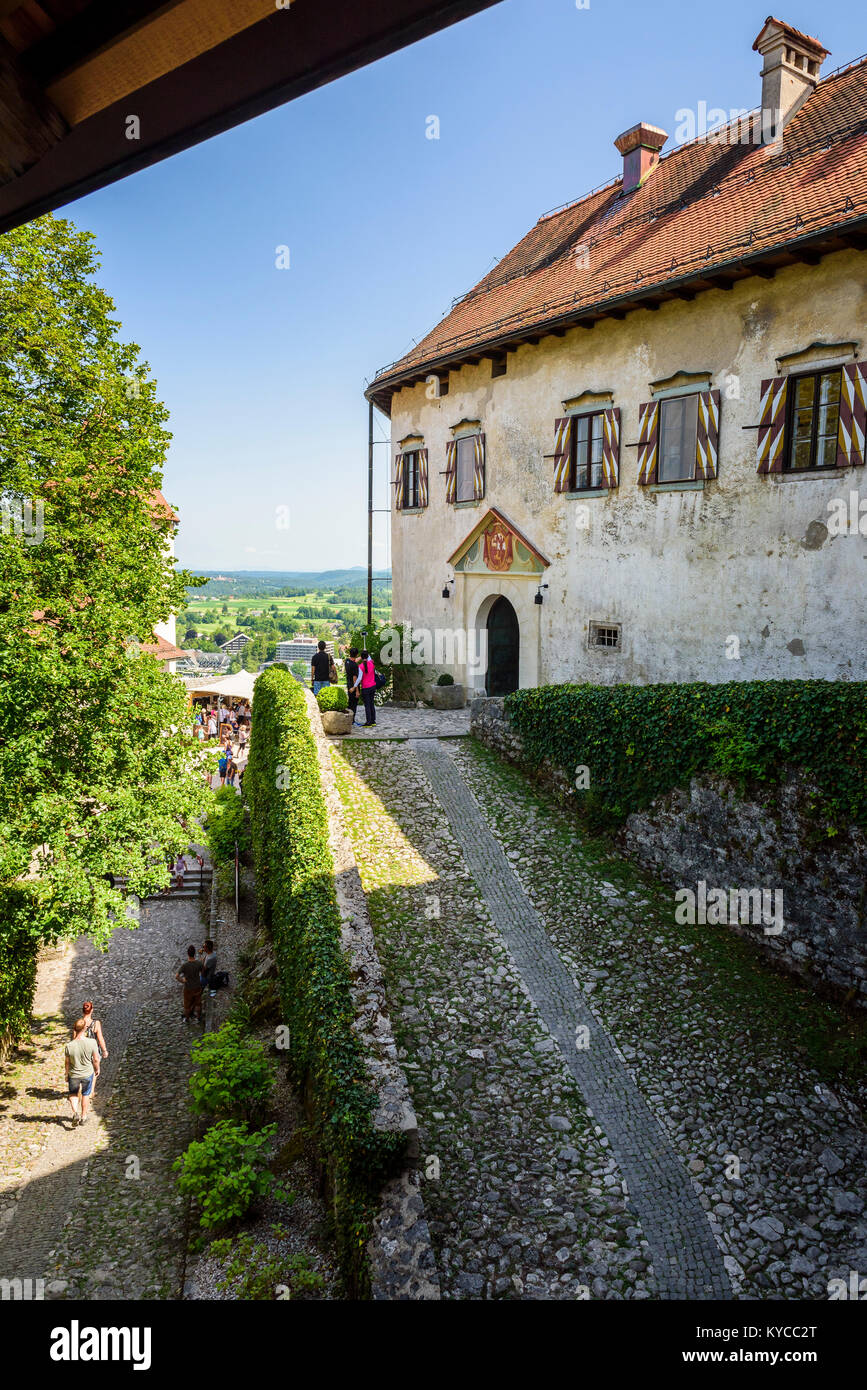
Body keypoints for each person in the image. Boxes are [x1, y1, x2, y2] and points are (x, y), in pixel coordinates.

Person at [64, 1018, 100, 1127]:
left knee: (73, 1094)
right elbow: (96, 1059)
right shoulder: (92, 1042)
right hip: (87, 1073)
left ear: (74, 1029)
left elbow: (67, 1062)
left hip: (74, 1074)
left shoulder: (69, 1046)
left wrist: (66, 1074)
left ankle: (75, 1113)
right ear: (85, 1028)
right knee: (85, 1094)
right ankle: (84, 1116)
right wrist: (97, 1068)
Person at [175, 945, 203, 1023]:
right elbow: (203, 972)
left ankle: (187, 1019)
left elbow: (176, 976)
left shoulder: (185, 965)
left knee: (187, 1005)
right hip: (197, 986)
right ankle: (199, 1018)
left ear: (188, 954)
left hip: (188, 988)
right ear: (194, 954)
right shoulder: (198, 963)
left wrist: (183, 981)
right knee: (198, 1004)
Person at [358, 649, 377, 727]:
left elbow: (359, 678)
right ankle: (373, 721)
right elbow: (369, 657)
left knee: (367, 705)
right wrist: (366, 653)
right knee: (372, 704)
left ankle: (368, 722)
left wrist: (355, 686)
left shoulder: (361, 666)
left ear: (361, 657)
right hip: (373, 686)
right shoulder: (372, 663)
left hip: (365, 688)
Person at [345, 647, 360, 725]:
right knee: (353, 705)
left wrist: (361, 657)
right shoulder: (354, 666)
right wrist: (357, 690)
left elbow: (354, 661)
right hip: (353, 687)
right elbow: (355, 679)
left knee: (350, 703)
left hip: (349, 685)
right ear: (356, 654)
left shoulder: (347, 661)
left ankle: (348, 719)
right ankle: (352, 720)